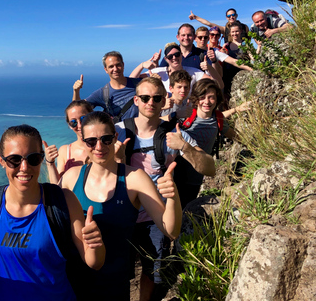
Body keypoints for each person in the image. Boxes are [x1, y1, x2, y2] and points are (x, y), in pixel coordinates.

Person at [0, 124, 105, 301]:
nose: (24, 167)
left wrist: (95, 244)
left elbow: (94, 262)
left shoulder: (62, 201)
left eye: (33, 158)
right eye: (14, 159)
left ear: (42, 158)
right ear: (1, 160)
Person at [59, 111, 182, 301]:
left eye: (106, 139)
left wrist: (173, 198)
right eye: (91, 141)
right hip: (73, 282)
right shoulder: (71, 178)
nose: (99, 147)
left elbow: (170, 230)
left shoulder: (135, 178)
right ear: (84, 142)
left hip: (114, 285)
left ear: (116, 138)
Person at [114, 77, 215, 300]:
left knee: (152, 271)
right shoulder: (117, 132)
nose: (151, 102)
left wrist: (185, 148)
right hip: (123, 213)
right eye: (145, 98)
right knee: (119, 271)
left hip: (157, 214)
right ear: (136, 100)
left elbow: (210, 168)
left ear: (163, 102)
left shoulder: (173, 134)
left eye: (156, 98)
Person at [174, 79, 235, 208]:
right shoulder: (185, 117)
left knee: (186, 210)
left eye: (211, 97)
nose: (206, 102)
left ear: (217, 99)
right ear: (196, 99)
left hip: (197, 177)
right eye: (202, 97)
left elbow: (233, 135)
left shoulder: (218, 119)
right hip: (177, 174)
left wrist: (255, 144)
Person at [72, 51, 141, 122]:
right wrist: (76, 91)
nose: (115, 69)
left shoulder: (139, 83)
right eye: (111, 66)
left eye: (118, 65)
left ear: (123, 65)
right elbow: (78, 108)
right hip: (121, 132)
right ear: (106, 70)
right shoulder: (103, 93)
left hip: (145, 130)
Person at [131, 42, 223, 94]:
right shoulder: (159, 72)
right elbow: (131, 81)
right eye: (170, 56)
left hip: (186, 114)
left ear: (181, 56)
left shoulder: (193, 72)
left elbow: (219, 85)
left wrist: (210, 68)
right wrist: (141, 65)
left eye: (177, 54)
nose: (174, 58)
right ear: (166, 59)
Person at [44, 100, 93, 184]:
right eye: (73, 122)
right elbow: (57, 187)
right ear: (69, 125)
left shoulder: (103, 147)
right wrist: (50, 163)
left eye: (83, 118)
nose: (79, 125)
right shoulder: (65, 151)